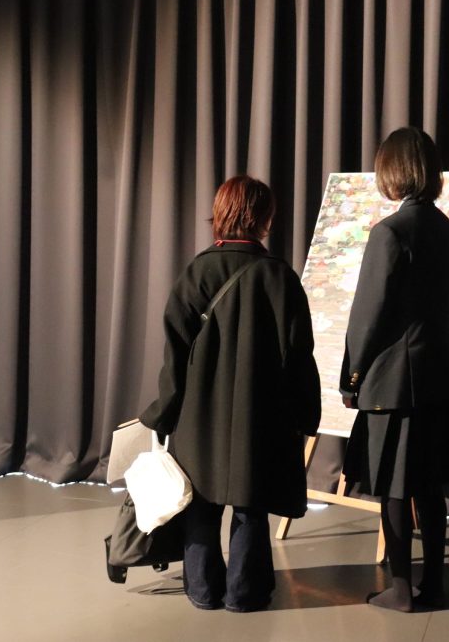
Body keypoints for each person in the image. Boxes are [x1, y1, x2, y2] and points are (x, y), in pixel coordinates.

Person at [139, 175, 321, 612]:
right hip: (260, 416)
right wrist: (305, 413)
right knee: (251, 504)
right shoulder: (280, 277)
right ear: (264, 218)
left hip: (197, 416)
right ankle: (246, 592)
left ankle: (203, 589)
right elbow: (298, 355)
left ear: (220, 214)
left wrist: (164, 412)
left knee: (200, 505)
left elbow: (175, 354)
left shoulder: (196, 272)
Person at [340, 127, 449, 612]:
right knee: (429, 487)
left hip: (393, 384)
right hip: (439, 376)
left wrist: (351, 377)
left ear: (391, 171)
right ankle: (432, 583)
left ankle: (400, 588)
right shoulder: (446, 229)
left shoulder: (388, 232)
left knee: (393, 486)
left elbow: (368, 317)